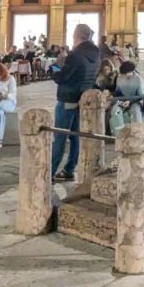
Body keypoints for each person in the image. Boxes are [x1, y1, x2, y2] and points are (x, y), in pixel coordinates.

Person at [50, 22, 100, 181]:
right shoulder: (96, 54)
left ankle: (49, 171)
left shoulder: (74, 55)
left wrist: (54, 69)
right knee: (75, 137)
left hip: (67, 99)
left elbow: (61, 77)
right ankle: (69, 169)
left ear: (75, 35)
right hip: (82, 100)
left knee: (60, 136)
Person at [112, 61, 144, 129]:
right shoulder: (119, 78)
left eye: (127, 73)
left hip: (135, 101)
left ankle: (139, 129)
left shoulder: (138, 80)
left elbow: (140, 95)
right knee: (114, 111)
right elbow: (117, 92)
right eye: (123, 73)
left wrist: (130, 101)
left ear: (131, 71)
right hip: (123, 100)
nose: (125, 75)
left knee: (135, 110)